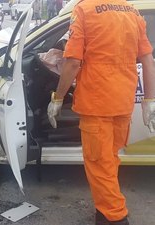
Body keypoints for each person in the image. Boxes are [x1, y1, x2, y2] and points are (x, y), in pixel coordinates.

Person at [47, 1, 155, 225]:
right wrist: (149, 100)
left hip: (97, 103)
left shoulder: (84, 9)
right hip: (122, 102)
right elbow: (147, 59)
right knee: (110, 160)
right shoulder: (131, 10)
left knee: (99, 164)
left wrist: (58, 98)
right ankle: (103, 210)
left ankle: (115, 217)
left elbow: (73, 62)